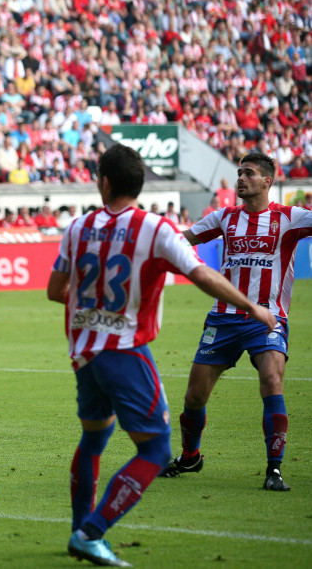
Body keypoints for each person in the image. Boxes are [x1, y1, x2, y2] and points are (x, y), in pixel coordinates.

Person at [47, 143, 275, 567]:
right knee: (153, 451)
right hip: (126, 353)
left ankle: (80, 529)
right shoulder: (154, 229)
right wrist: (251, 306)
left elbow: (55, 291)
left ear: (105, 182)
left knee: (94, 438)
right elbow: (201, 273)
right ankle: (91, 533)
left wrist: (94, 310)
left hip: (84, 354)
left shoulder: (78, 228)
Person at [161, 153, 312, 491]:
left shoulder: (290, 218)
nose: (241, 178)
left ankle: (274, 469)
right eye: (239, 173)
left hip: (268, 318)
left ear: (267, 181)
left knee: (272, 380)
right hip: (224, 319)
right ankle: (190, 456)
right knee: (195, 397)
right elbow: (184, 238)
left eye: (249, 173)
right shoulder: (225, 217)